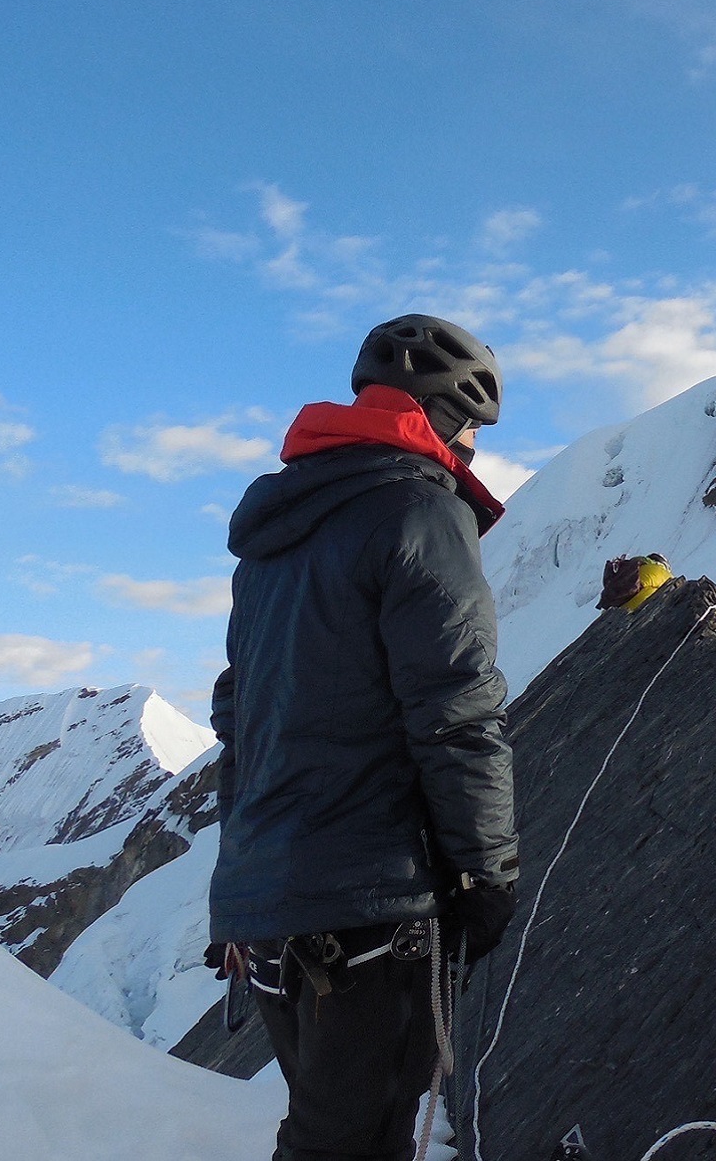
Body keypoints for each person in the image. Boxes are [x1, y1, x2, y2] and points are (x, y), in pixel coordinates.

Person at [208, 313, 521, 1161]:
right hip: (371, 908)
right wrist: (485, 872)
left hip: (269, 914)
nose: (471, 452)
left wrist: (233, 891)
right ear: (440, 418)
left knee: (330, 1133)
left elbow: (241, 720)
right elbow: (457, 707)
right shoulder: (420, 511)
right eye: (469, 430)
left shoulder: (273, 541)